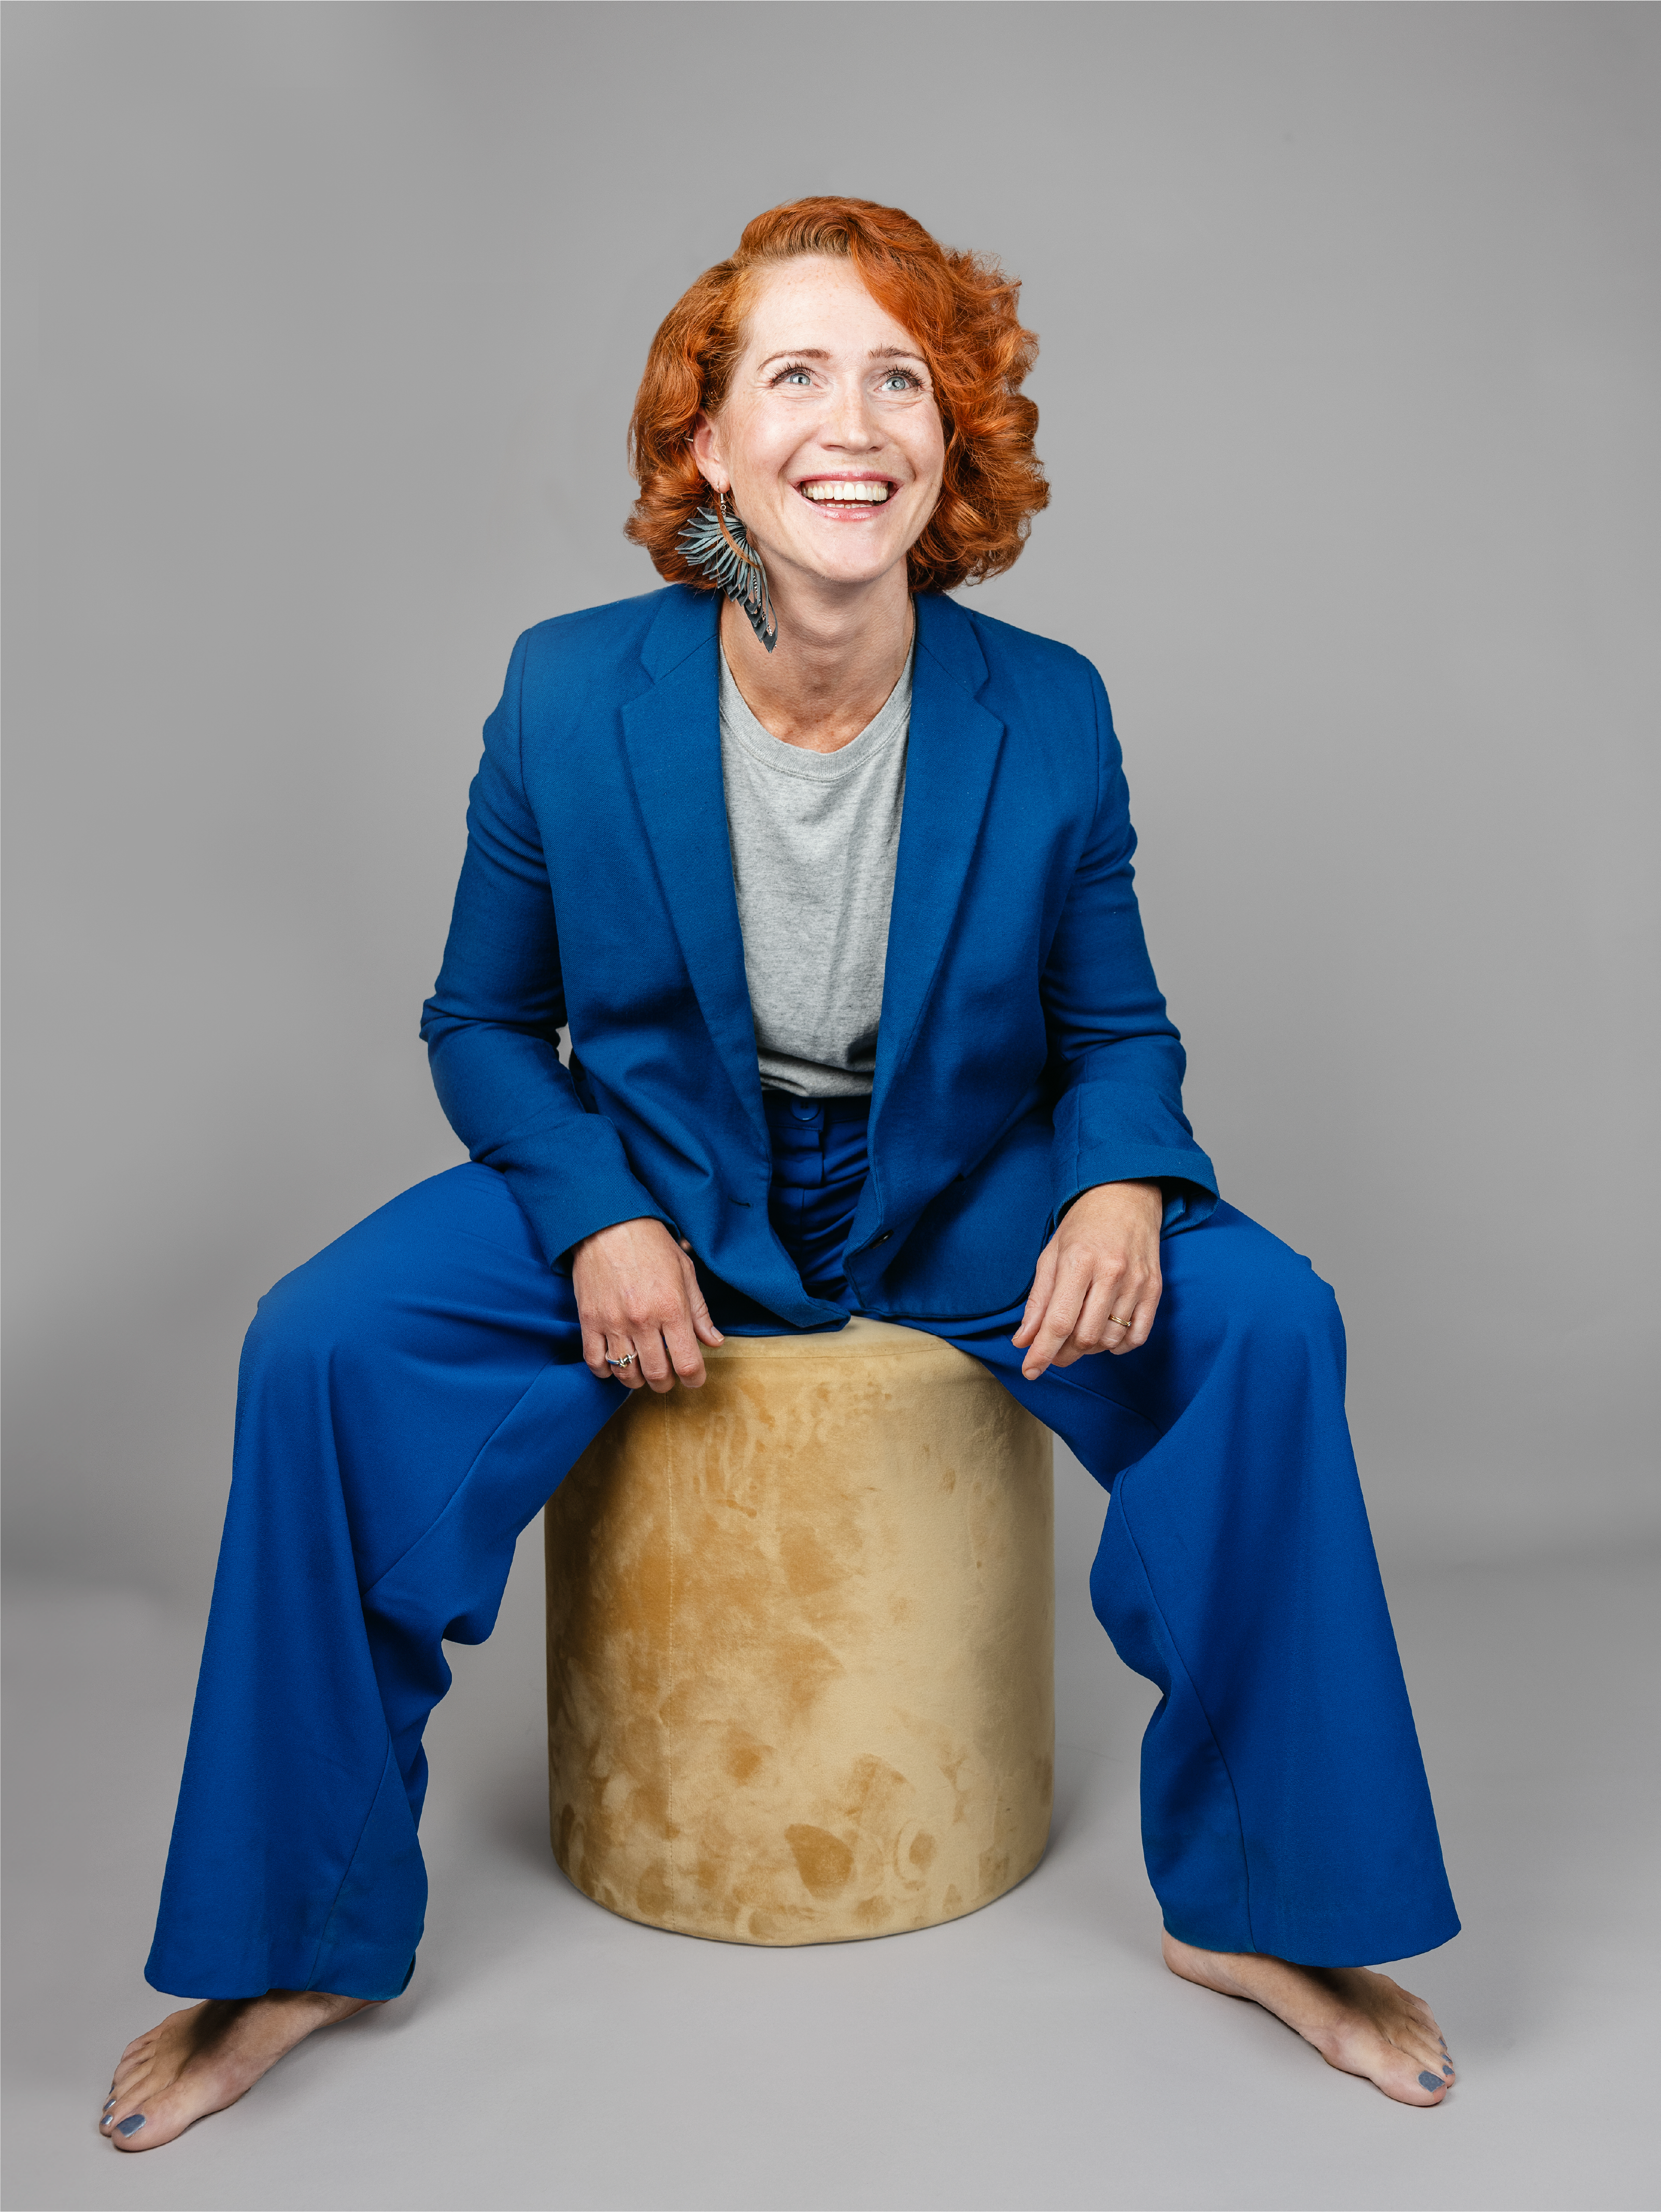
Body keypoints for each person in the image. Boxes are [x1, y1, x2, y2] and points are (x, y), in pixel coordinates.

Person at [101, 197, 1457, 2151]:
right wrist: (601, 1212)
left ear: (953, 442)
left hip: (953, 1181)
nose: (854, 421)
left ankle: (1275, 1912)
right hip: (656, 1163)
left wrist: (1118, 1181)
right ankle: (289, 1932)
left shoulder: (1046, 709)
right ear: (711, 446)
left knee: (1263, 1319)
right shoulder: (570, 691)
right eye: (796, 376)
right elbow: (482, 1022)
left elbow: (1121, 1033)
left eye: (902, 377)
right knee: (317, 1345)